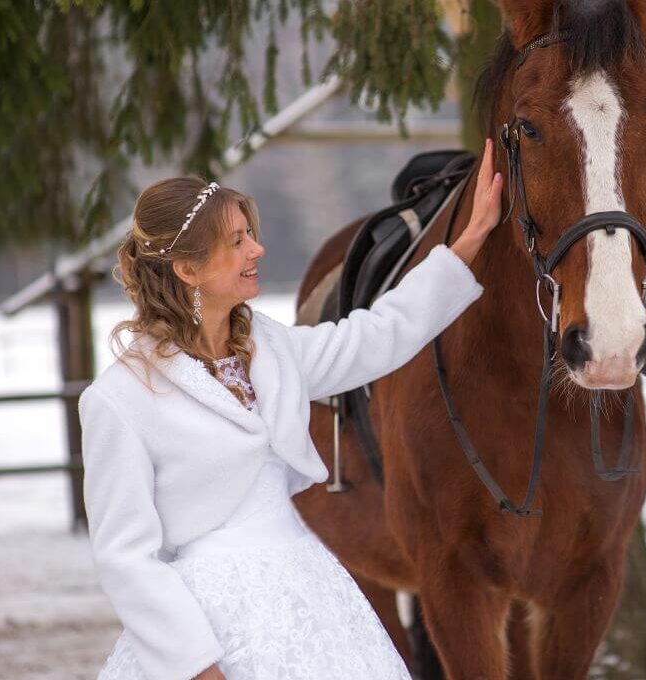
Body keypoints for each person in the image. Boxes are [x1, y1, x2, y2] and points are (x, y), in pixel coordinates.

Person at [80, 141, 504, 680]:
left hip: (313, 608)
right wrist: (195, 666)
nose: (257, 250)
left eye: (250, 234)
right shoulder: (118, 401)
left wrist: (466, 243)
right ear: (188, 269)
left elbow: (376, 337)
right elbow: (124, 558)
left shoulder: (272, 350)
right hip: (203, 630)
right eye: (237, 241)